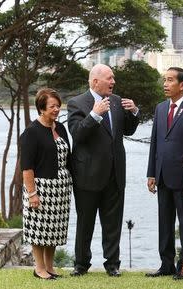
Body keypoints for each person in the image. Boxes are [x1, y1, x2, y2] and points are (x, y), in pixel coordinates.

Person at [68, 63, 140, 277]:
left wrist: (134, 112)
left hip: (115, 174)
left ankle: (112, 264)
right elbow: (78, 134)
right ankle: (81, 264)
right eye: (109, 78)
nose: (113, 82)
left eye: (113, 78)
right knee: (85, 223)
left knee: (113, 223)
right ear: (95, 81)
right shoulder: (77, 103)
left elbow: (128, 130)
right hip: (87, 175)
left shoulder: (117, 102)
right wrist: (95, 115)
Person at [146, 67, 183, 280]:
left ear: (182, 85)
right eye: (165, 80)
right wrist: (151, 173)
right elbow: (155, 143)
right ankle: (166, 264)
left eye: (170, 80)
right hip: (161, 176)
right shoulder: (160, 108)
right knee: (165, 222)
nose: (165, 84)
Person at [20, 88, 72, 280]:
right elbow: (26, 167)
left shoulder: (60, 128)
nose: (57, 109)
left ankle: (50, 267)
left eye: (58, 105)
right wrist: (32, 193)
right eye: (52, 106)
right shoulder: (31, 132)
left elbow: (67, 157)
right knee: (39, 230)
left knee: (54, 230)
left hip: (61, 188)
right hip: (41, 188)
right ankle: (39, 268)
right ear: (41, 108)